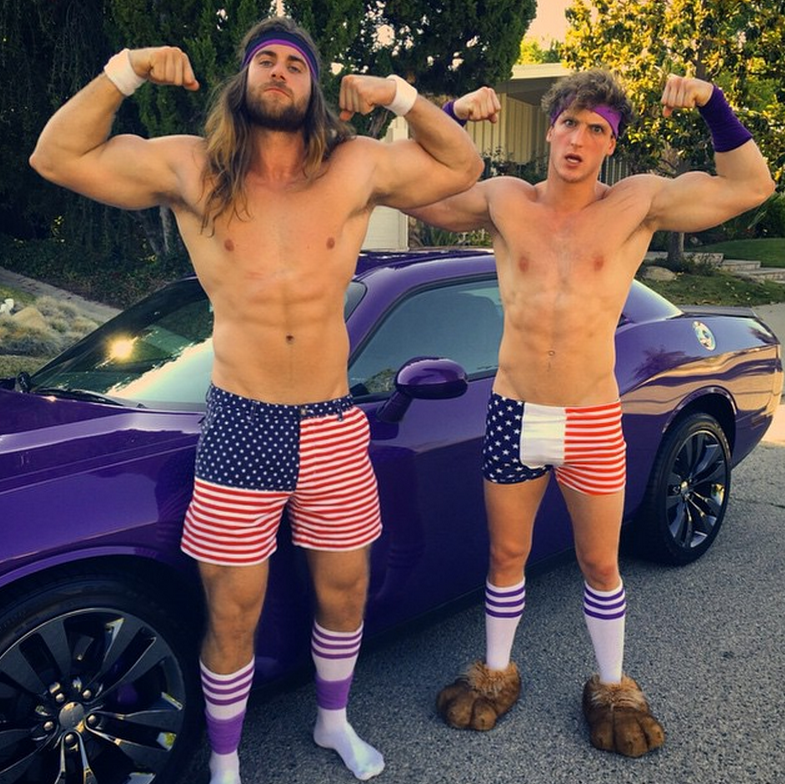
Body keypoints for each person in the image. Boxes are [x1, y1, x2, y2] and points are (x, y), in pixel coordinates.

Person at [30, 15, 482, 784]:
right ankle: (227, 760)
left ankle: (332, 722)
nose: (279, 71)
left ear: (313, 88)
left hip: (332, 424)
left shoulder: (353, 166)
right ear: (242, 80)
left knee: (345, 589)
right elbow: (56, 155)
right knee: (233, 610)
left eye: (295, 64)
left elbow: (461, 163)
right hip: (242, 423)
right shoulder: (192, 167)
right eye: (265, 60)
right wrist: (127, 68)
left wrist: (397, 93)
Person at [409, 69, 774, 757]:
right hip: (514, 414)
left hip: (591, 417)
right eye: (570, 122)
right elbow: (412, 189)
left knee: (600, 563)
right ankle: (495, 670)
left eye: (597, 128)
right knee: (506, 554)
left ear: (610, 143)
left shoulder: (637, 202)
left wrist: (712, 102)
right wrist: (448, 114)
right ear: (551, 129)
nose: (579, 137)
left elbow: (751, 186)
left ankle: (611, 683)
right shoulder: (503, 198)